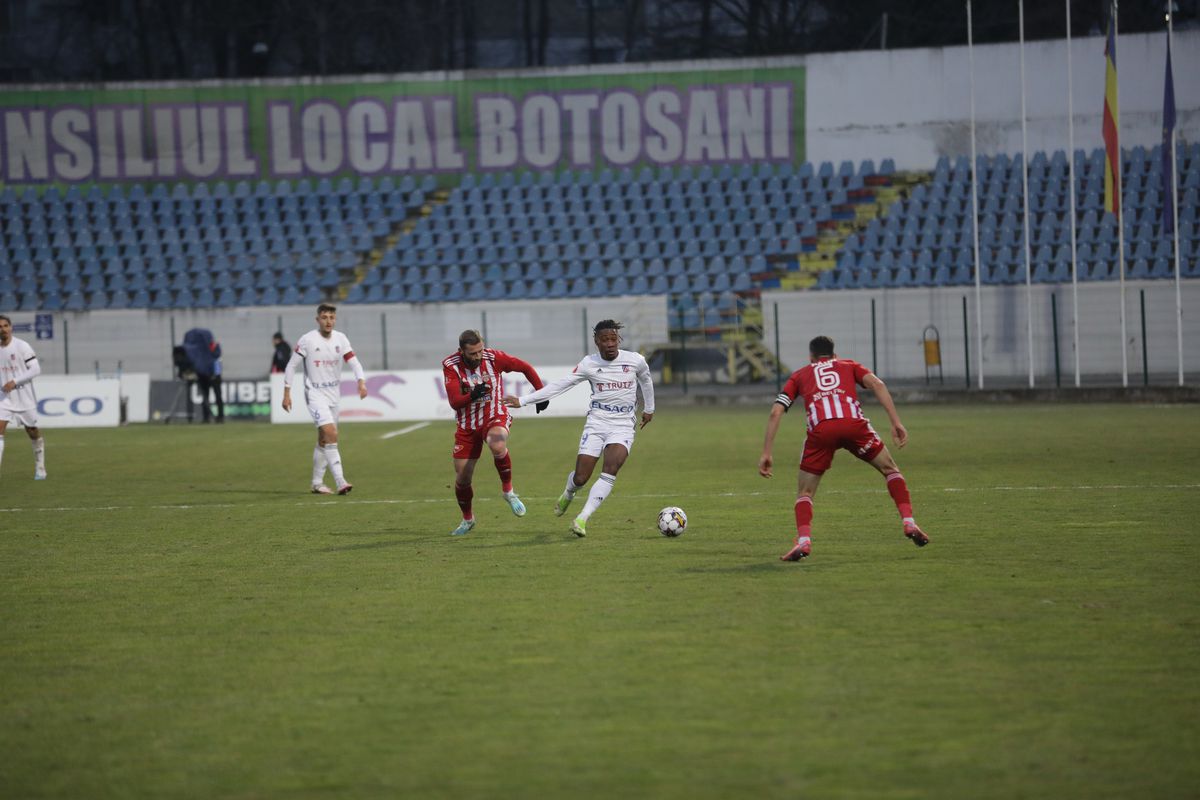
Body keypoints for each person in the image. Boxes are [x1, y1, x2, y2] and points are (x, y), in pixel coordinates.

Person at [758, 335, 930, 562]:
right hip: (854, 425)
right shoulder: (849, 365)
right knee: (890, 470)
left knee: (805, 492)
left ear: (811, 357)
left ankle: (804, 542)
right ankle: (909, 522)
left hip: (821, 432)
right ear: (834, 355)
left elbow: (775, 412)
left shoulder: (799, 375)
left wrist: (767, 452)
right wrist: (895, 422)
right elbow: (877, 384)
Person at [504, 319, 654, 537]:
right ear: (596, 342)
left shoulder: (635, 361)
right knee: (581, 477)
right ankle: (569, 492)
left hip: (623, 423)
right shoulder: (588, 364)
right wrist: (524, 400)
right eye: (605, 340)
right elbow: (561, 385)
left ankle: (582, 519)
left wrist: (649, 408)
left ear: (619, 340)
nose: (610, 344)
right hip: (597, 421)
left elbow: (646, 381)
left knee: (611, 469)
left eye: (614, 339)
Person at [442, 329, 548, 537]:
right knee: (462, 478)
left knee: (497, 444)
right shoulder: (450, 365)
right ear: (461, 351)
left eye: (480, 350)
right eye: (473, 353)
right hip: (467, 424)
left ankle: (508, 491)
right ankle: (468, 519)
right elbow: (455, 402)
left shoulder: (494, 357)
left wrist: (540, 392)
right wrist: (472, 395)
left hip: (494, 414)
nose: (478, 356)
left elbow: (524, 367)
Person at [281, 304, 367, 495]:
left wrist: (361, 382)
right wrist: (286, 393)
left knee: (323, 439)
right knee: (331, 433)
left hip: (334, 395)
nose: (328, 321)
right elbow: (291, 366)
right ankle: (340, 481)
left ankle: (316, 483)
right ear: (317, 320)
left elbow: (354, 362)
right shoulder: (307, 340)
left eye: (331, 317)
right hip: (315, 394)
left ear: (335, 319)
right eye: (324, 317)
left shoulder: (341, 339)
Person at [0, 314, 47, 480]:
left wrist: (14, 381)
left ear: (11, 327)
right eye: (0, 326)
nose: (3, 329)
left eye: (6, 326)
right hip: (3, 398)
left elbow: (35, 370)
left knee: (32, 431)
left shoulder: (22, 346)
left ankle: (40, 467)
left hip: (24, 396)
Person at [182, 327, 224, 424]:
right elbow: (217, 356)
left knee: (211, 396)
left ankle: (215, 417)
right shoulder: (207, 347)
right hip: (207, 373)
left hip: (209, 373)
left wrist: (215, 373)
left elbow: (217, 357)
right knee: (208, 396)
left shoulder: (205, 348)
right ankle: (210, 417)